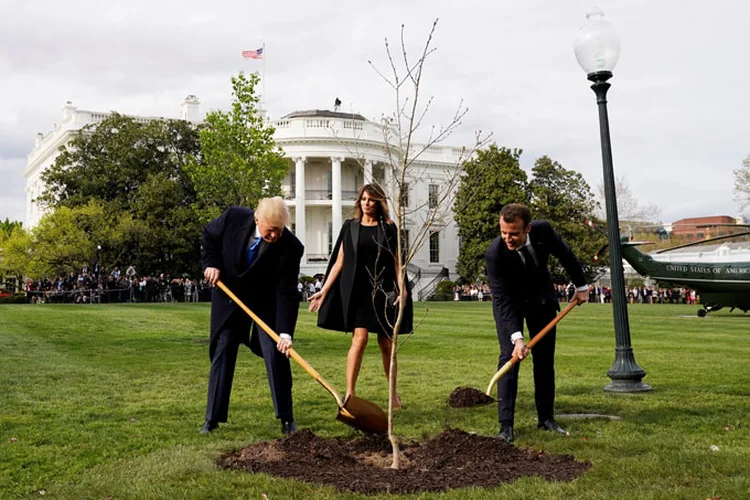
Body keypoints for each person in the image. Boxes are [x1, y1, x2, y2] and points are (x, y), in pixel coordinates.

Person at [200, 197, 304, 435]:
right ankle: (212, 419)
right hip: (229, 298)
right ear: (257, 220)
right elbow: (209, 236)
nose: (275, 236)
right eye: (270, 231)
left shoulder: (291, 247)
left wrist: (285, 332)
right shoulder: (233, 217)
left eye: (279, 231)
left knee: (276, 353)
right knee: (223, 349)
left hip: (264, 304)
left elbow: (286, 292)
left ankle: (286, 418)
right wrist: (211, 264)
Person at [485, 203, 588, 443]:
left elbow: (566, 255)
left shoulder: (544, 231)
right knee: (509, 358)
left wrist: (581, 287)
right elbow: (501, 299)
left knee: (544, 360)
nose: (508, 238)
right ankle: (506, 426)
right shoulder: (495, 253)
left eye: (514, 234)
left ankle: (546, 418)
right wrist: (517, 338)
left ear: (528, 228)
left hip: (541, 300)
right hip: (510, 303)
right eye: (503, 233)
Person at [308, 183, 413, 409]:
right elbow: (339, 261)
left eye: (371, 199)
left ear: (378, 202)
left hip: (383, 291)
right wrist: (324, 290)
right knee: (360, 339)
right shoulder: (350, 227)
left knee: (387, 344)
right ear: (359, 201)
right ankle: (350, 393)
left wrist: (402, 288)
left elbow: (397, 261)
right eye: (364, 199)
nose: (367, 203)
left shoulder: (388, 228)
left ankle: (393, 394)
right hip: (358, 291)